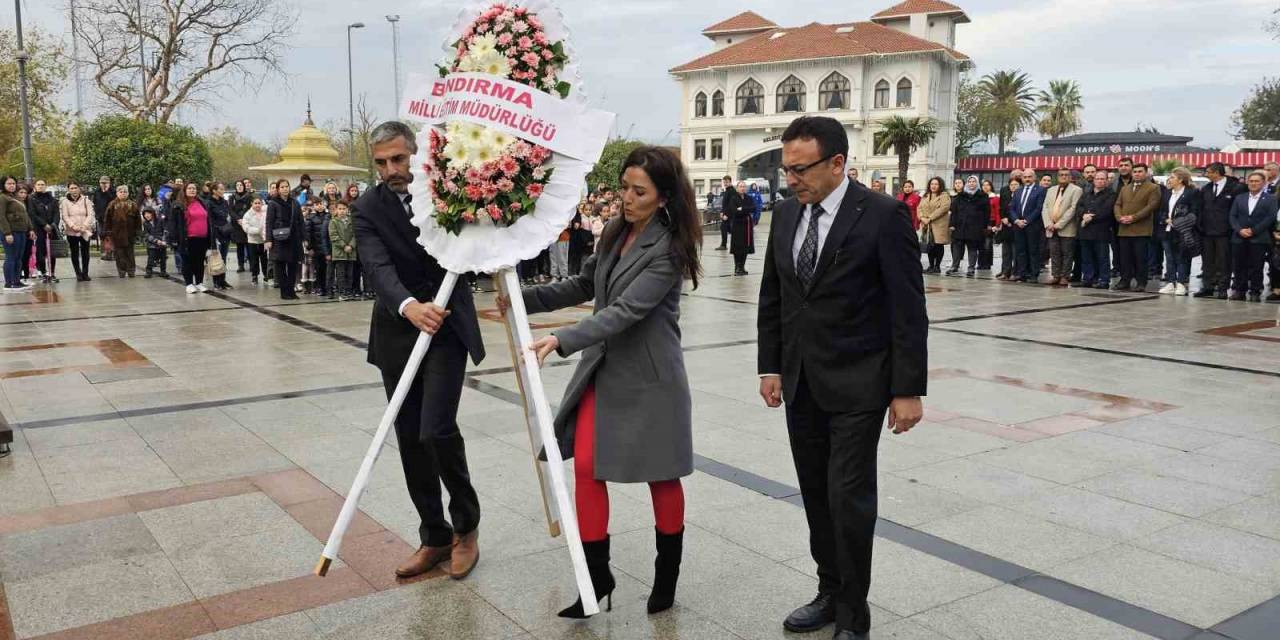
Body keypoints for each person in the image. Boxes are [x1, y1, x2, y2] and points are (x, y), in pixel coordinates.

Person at [498, 145, 702, 619]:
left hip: (651, 377)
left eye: (639, 191)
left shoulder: (669, 248)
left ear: (664, 198)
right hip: (605, 370)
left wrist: (563, 338)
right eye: (624, 188)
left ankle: (666, 576)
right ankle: (597, 578)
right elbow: (584, 285)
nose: (626, 199)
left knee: (661, 474)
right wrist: (521, 297)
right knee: (588, 466)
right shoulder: (614, 231)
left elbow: (627, 311)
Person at [758, 116, 926, 640]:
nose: (792, 180)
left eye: (801, 169)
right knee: (814, 493)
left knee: (847, 498)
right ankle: (828, 590)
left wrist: (907, 389)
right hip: (801, 380)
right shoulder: (785, 216)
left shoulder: (883, 216)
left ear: (837, 163)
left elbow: (907, 308)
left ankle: (854, 615)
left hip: (859, 382)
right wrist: (770, 364)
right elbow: (775, 296)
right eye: (786, 170)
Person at [352, 121, 486, 582]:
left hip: (447, 329)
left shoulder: (453, 191)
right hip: (399, 330)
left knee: (436, 429)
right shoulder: (367, 208)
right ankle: (433, 535)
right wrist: (409, 307)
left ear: (417, 154)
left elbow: (479, 241)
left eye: (399, 159)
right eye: (383, 163)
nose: (392, 170)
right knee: (409, 437)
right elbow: (377, 265)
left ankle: (466, 528)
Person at [1195, 162, 1246, 299]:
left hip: (1225, 233)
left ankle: (1223, 288)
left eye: (1209, 172)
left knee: (1224, 262)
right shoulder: (1206, 188)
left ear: (1217, 172)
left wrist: (1233, 227)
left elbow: (1239, 210)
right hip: (1207, 232)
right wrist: (1200, 225)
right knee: (1207, 262)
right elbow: (1200, 208)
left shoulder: (1235, 187)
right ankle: (1208, 287)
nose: (1206, 174)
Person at [1228, 170, 1279, 302]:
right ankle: (1239, 290)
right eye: (1251, 181)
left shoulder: (1271, 199)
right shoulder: (1240, 197)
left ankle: (1255, 291)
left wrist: (1253, 230)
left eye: (1257, 181)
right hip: (1239, 237)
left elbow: (1270, 217)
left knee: (1257, 266)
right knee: (1238, 266)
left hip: (1259, 238)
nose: (1253, 183)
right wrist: (1239, 230)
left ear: (1263, 183)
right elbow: (1232, 216)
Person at [1112, 163, 1161, 292]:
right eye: (1135, 172)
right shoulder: (1125, 189)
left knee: (1140, 258)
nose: (1137, 174)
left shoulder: (1153, 188)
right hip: (1124, 229)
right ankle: (1125, 281)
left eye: (1140, 171)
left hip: (1141, 229)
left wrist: (1134, 217)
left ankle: (1141, 282)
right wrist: (1119, 217)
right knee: (1124, 258)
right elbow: (1117, 204)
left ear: (1146, 173)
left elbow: (1151, 206)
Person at [1156, 167, 1200, 296]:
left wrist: (1178, 221)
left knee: (1182, 257)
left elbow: (1194, 212)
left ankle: (1181, 283)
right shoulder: (1167, 193)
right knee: (1169, 258)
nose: (1169, 179)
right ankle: (1170, 282)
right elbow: (1162, 210)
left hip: (1183, 231)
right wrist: (1165, 220)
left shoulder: (1191, 192)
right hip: (1167, 229)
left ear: (1180, 180)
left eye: (1172, 177)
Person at [1041, 167, 1083, 286]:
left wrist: (1059, 225)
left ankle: (1065, 276)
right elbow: (1045, 207)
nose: (1063, 177)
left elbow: (1073, 209)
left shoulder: (1076, 190)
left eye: (1066, 175)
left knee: (1067, 253)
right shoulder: (1051, 190)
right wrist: (1048, 223)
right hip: (1050, 227)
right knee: (1054, 253)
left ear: (1070, 177)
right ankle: (1055, 275)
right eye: (1061, 175)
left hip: (1067, 228)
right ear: (1057, 177)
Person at [168, 183, 211, 294]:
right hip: (187, 238)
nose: (192, 190)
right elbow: (173, 223)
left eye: (194, 188)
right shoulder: (178, 205)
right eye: (190, 188)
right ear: (185, 190)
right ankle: (189, 284)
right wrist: (174, 239)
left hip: (202, 238)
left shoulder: (201, 202)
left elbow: (207, 220)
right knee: (187, 261)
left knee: (199, 261)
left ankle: (199, 283)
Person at [1076, 171, 1117, 289]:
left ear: (1107, 181)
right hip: (1085, 231)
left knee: (1102, 257)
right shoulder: (1086, 194)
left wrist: (1090, 218)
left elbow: (1106, 211)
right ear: (1094, 180)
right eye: (1098, 178)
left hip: (1101, 231)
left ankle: (1104, 280)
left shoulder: (1111, 194)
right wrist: (1083, 215)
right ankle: (1088, 278)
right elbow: (1079, 207)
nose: (1100, 181)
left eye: (1103, 179)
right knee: (1087, 257)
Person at [266, 179, 305, 299]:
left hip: (293, 237)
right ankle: (284, 292)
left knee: (293, 265)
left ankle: (291, 291)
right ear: (278, 189)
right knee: (280, 266)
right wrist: (268, 240)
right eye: (282, 187)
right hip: (279, 238)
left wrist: (304, 237)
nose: (285, 189)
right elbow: (269, 222)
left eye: (286, 186)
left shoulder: (295, 202)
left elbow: (301, 221)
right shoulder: (273, 203)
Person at [1009, 170, 1046, 282]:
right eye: (1025, 177)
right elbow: (1012, 208)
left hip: (1032, 225)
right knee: (1020, 250)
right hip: (1018, 226)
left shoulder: (1040, 190)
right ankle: (1022, 273)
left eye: (1030, 177)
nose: (1027, 179)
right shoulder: (1018, 191)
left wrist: (1027, 220)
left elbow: (1039, 208)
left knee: (1033, 250)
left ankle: (1034, 274)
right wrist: (1016, 220)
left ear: (1034, 177)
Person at [948, 176, 987, 277]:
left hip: (975, 226)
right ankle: (955, 265)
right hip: (960, 225)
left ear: (977, 183)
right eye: (970, 181)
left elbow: (986, 212)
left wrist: (984, 225)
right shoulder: (960, 195)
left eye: (974, 181)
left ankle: (971, 268)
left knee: (972, 247)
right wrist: (952, 224)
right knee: (956, 246)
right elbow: (954, 212)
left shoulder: (982, 196)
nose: (972, 183)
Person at [0, 181, 32, 292]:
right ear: (3, 185)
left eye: (13, 183)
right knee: (11, 257)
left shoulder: (15, 198)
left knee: (18, 257)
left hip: (21, 231)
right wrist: (7, 233)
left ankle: (17, 281)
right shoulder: (3, 198)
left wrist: (30, 229)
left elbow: (25, 215)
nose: (11, 185)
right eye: (8, 183)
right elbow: (1, 217)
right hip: (11, 232)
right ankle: (9, 283)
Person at [103, 186, 142, 278]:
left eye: (125, 192)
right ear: (117, 193)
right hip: (117, 233)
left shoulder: (133, 204)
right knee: (119, 254)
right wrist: (108, 232)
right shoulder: (112, 204)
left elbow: (138, 220)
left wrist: (138, 231)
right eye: (121, 192)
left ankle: (131, 270)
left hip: (130, 233)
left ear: (128, 193)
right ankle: (121, 271)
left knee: (130, 253)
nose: (123, 193)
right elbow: (107, 220)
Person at [60, 182, 95, 282]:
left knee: (85, 252)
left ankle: (85, 273)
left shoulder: (85, 200)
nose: (74, 190)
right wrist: (73, 226)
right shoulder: (65, 202)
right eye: (71, 188)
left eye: (75, 188)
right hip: (72, 231)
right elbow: (65, 216)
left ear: (79, 189)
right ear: (68, 190)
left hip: (85, 230)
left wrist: (84, 225)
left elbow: (90, 214)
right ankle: (78, 273)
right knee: (74, 252)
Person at [204, 182, 234, 290]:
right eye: (220, 189)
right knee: (216, 257)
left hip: (225, 232)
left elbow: (227, 214)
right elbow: (210, 222)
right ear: (214, 191)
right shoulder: (208, 203)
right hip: (215, 233)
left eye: (223, 189)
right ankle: (216, 281)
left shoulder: (224, 202)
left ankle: (222, 280)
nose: (223, 191)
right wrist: (212, 240)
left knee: (224, 257)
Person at [917, 177, 950, 274]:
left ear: (940, 185)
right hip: (926, 225)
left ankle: (937, 266)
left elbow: (943, 209)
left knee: (938, 245)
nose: (934, 186)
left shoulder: (944, 196)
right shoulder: (926, 196)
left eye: (936, 184)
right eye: (932, 184)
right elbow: (919, 208)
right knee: (929, 245)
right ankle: (931, 266)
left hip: (938, 224)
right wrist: (922, 218)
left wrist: (930, 218)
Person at [29, 179, 59, 283]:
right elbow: (33, 214)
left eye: (43, 184)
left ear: (46, 186)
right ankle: (43, 272)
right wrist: (44, 224)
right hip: (39, 229)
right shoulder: (32, 199)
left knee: (52, 253)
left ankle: (52, 273)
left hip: (51, 230)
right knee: (40, 253)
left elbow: (56, 214)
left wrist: (53, 225)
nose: (41, 186)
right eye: (38, 184)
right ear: (35, 186)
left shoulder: (52, 199)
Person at [328, 200, 357, 300]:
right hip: (340, 253)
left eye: (344, 209)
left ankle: (349, 291)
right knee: (341, 274)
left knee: (350, 274)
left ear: (347, 210)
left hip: (351, 252)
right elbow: (334, 236)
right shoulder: (333, 222)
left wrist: (351, 246)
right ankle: (342, 293)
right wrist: (344, 246)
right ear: (336, 210)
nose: (342, 211)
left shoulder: (351, 221)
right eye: (340, 209)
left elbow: (355, 235)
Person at [995, 177, 1021, 280]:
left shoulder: (1021, 196)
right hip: (1006, 227)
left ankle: (1015, 272)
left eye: (1016, 185)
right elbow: (1001, 208)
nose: (1013, 187)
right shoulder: (1006, 195)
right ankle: (1006, 272)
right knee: (1006, 251)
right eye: (1011, 185)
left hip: (1016, 226)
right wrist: (1003, 218)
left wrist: (1011, 220)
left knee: (1016, 252)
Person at [730, 180, 757, 275]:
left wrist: (742, 208)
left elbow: (753, 208)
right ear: (737, 188)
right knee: (738, 247)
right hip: (737, 225)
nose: (742, 188)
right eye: (740, 186)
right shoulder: (733, 198)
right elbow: (735, 212)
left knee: (746, 247)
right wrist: (745, 210)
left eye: (744, 186)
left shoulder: (748, 198)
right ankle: (737, 267)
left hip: (747, 225)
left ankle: (742, 267)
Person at [306, 197, 332, 297]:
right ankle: (320, 288)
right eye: (317, 204)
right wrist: (310, 248)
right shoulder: (310, 217)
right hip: (316, 248)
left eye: (321, 203)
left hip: (327, 247)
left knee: (328, 269)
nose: (319, 206)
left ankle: (328, 287)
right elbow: (308, 234)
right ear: (313, 206)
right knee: (319, 269)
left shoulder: (328, 216)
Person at [241, 196, 269, 285]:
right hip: (252, 241)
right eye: (255, 203)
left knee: (265, 260)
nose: (257, 205)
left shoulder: (265, 212)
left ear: (262, 203)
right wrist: (258, 231)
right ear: (252, 204)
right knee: (254, 260)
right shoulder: (247, 214)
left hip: (264, 241)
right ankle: (254, 276)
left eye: (259, 203)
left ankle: (266, 276)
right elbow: (246, 227)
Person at [229, 180, 253, 273]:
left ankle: (252, 264)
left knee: (249, 245)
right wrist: (238, 219)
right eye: (237, 185)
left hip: (247, 223)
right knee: (239, 246)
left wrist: (244, 219)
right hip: (237, 224)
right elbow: (230, 210)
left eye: (241, 185)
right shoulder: (232, 197)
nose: (239, 186)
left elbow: (251, 209)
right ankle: (240, 265)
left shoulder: (249, 196)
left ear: (244, 186)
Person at [91, 176, 115, 261]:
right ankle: (104, 252)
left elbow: (113, 201)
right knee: (102, 235)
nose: (103, 185)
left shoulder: (113, 191)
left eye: (105, 183)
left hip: (111, 218)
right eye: (102, 183)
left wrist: (107, 191)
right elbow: (95, 204)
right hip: (101, 218)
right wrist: (97, 215)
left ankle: (111, 253)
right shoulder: (96, 192)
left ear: (109, 183)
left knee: (111, 235)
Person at [141, 207, 169, 278]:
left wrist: (164, 241)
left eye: (148, 213)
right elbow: (146, 235)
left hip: (162, 243)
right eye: (145, 214)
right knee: (151, 259)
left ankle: (163, 272)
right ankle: (148, 271)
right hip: (152, 245)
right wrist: (156, 241)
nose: (147, 215)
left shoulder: (160, 220)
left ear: (152, 213)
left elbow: (165, 231)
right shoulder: (145, 224)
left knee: (163, 259)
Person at [977, 179, 997, 269]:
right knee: (980, 243)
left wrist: (996, 224)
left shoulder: (994, 197)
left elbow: (997, 211)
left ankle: (987, 263)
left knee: (988, 244)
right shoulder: (979, 197)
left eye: (988, 185)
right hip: (980, 221)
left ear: (991, 186)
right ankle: (980, 263)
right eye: (984, 185)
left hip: (990, 221)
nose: (985, 187)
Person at [718, 175, 738, 251]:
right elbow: (724, 203)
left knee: (726, 228)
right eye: (724, 182)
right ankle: (725, 245)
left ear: (730, 182)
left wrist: (727, 215)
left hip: (730, 215)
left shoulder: (732, 191)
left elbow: (731, 204)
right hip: (725, 213)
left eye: (726, 182)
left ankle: (724, 245)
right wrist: (721, 211)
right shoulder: (726, 190)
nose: (725, 184)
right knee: (727, 229)